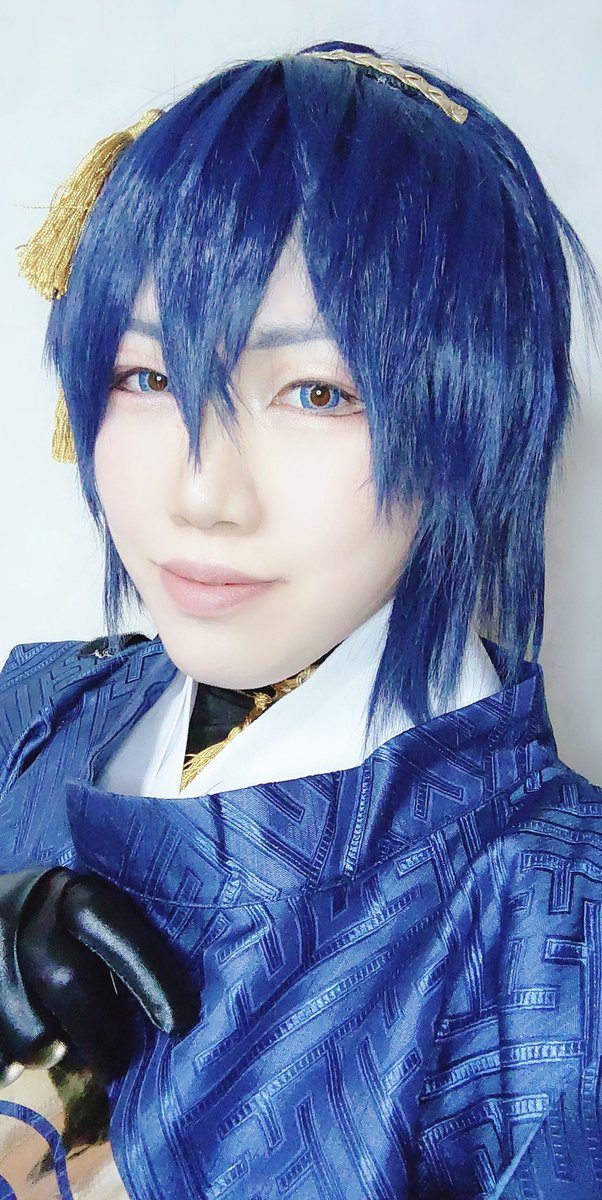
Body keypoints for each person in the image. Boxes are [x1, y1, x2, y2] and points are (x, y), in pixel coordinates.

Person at [1, 38, 600, 1200]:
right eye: (145, 378)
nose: (200, 494)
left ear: (471, 423)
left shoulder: (550, 935)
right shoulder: (33, 707)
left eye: (317, 393)